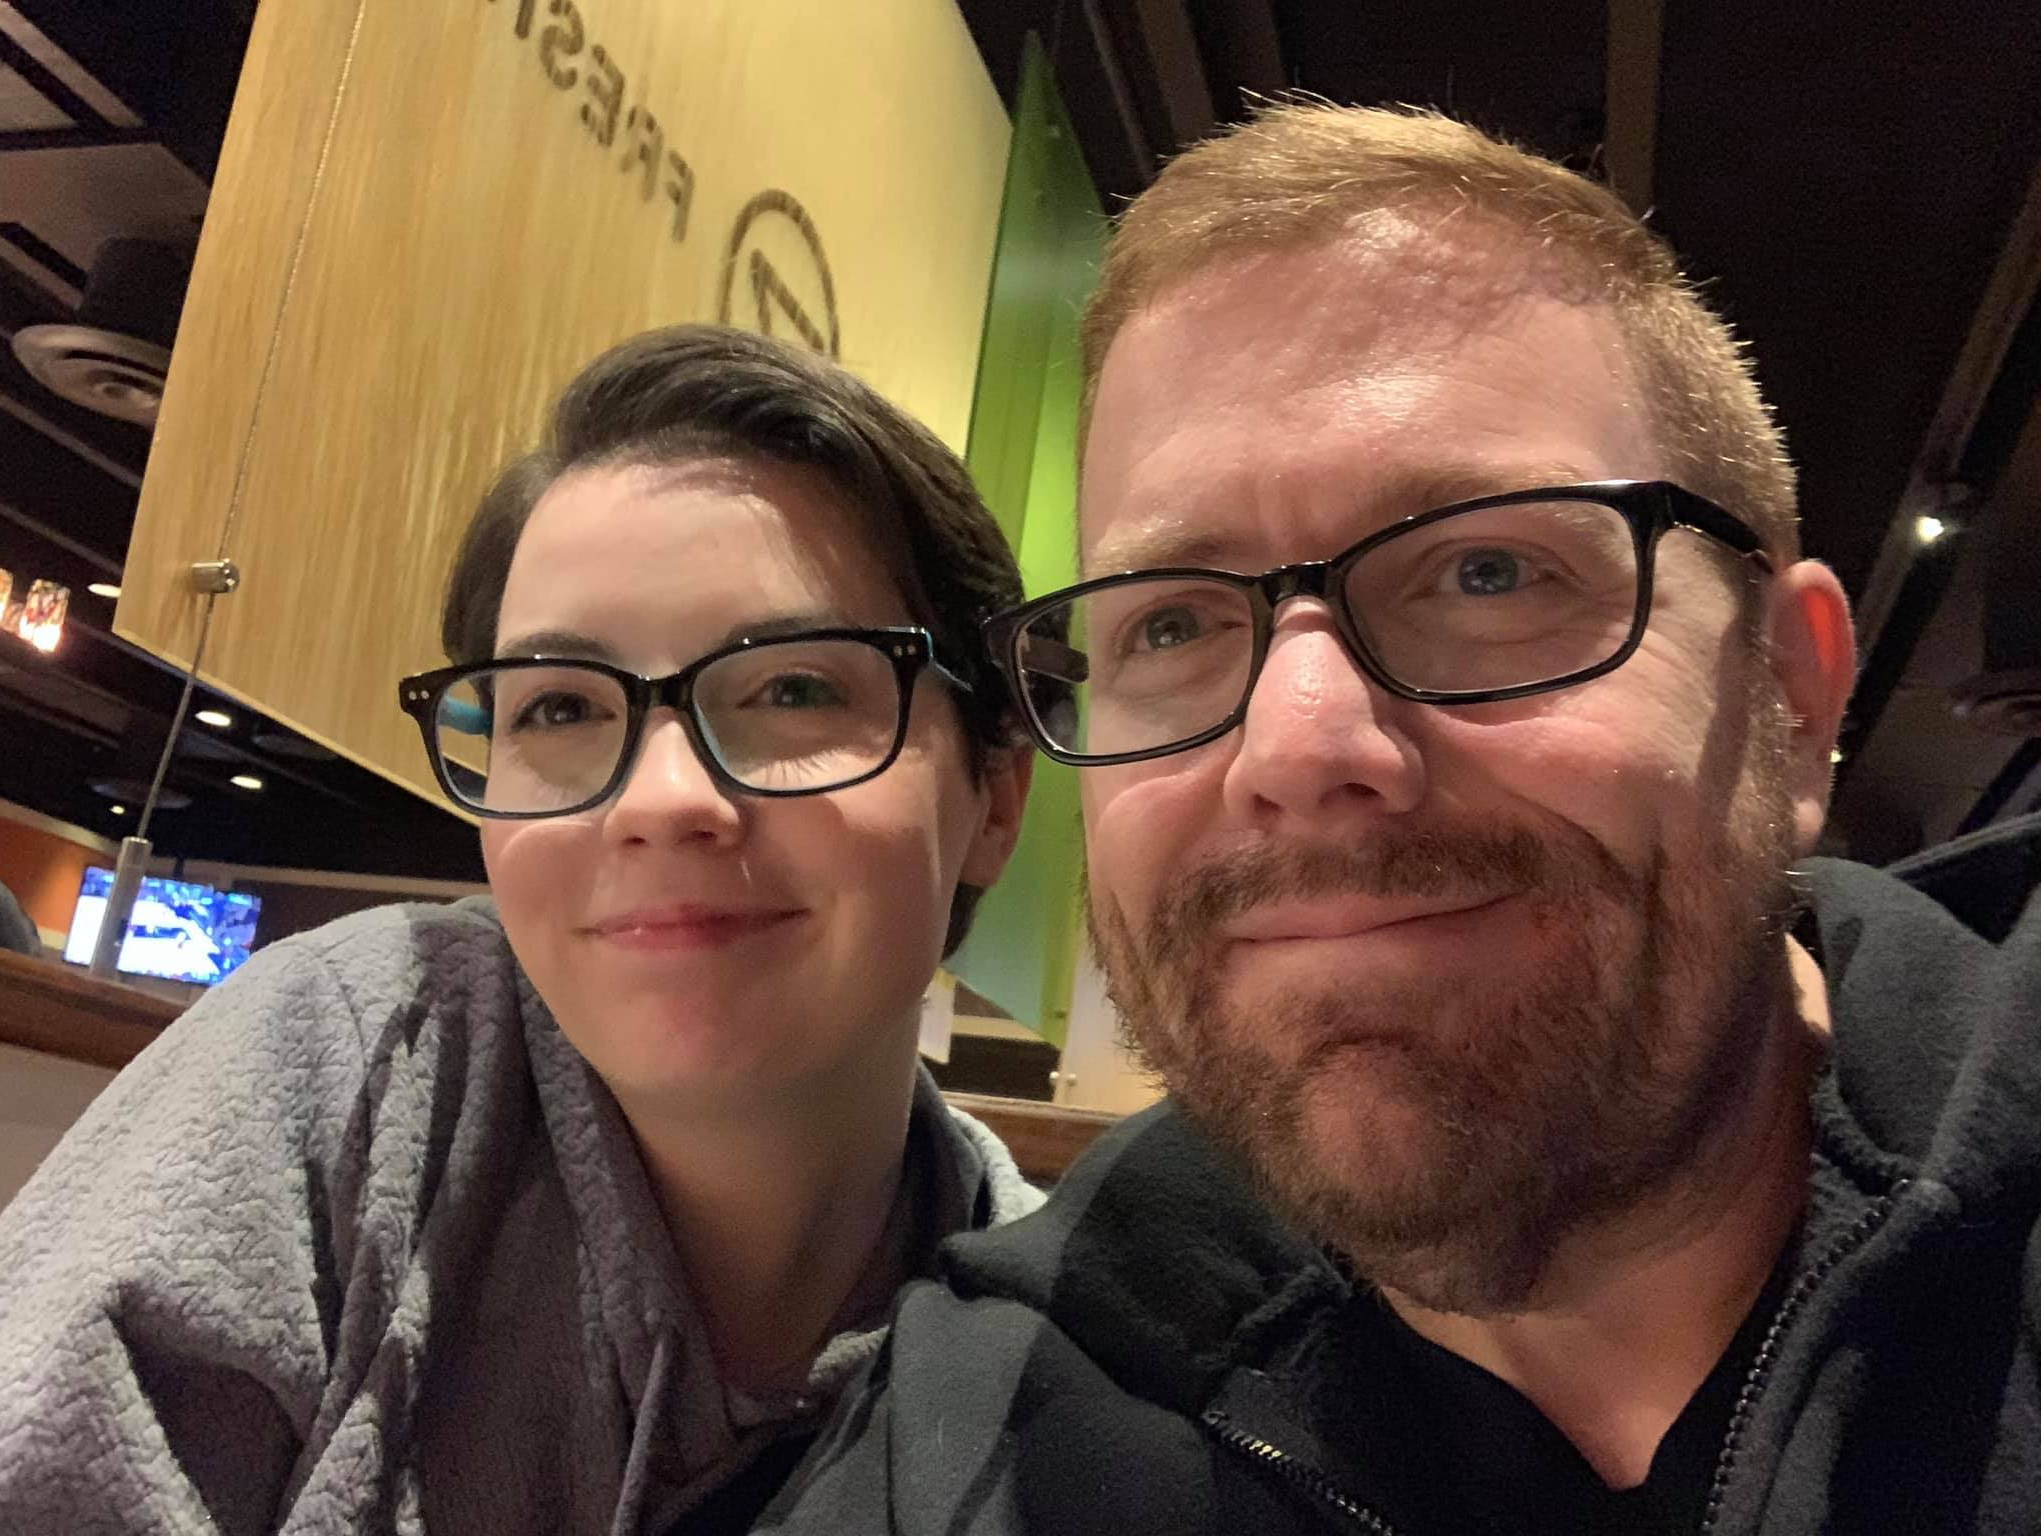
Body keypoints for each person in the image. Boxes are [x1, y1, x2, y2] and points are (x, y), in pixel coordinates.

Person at [764, 106, 2041, 1534]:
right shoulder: (973, 1437)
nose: (1298, 745)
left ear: (1790, 697)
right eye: (1171, 622)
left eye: (1489, 571)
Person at [0, 325, 1040, 1535]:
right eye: (557, 707)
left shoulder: (1056, 1366)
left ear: (994, 799)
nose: (658, 800)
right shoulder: (353, 1068)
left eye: (795, 688)